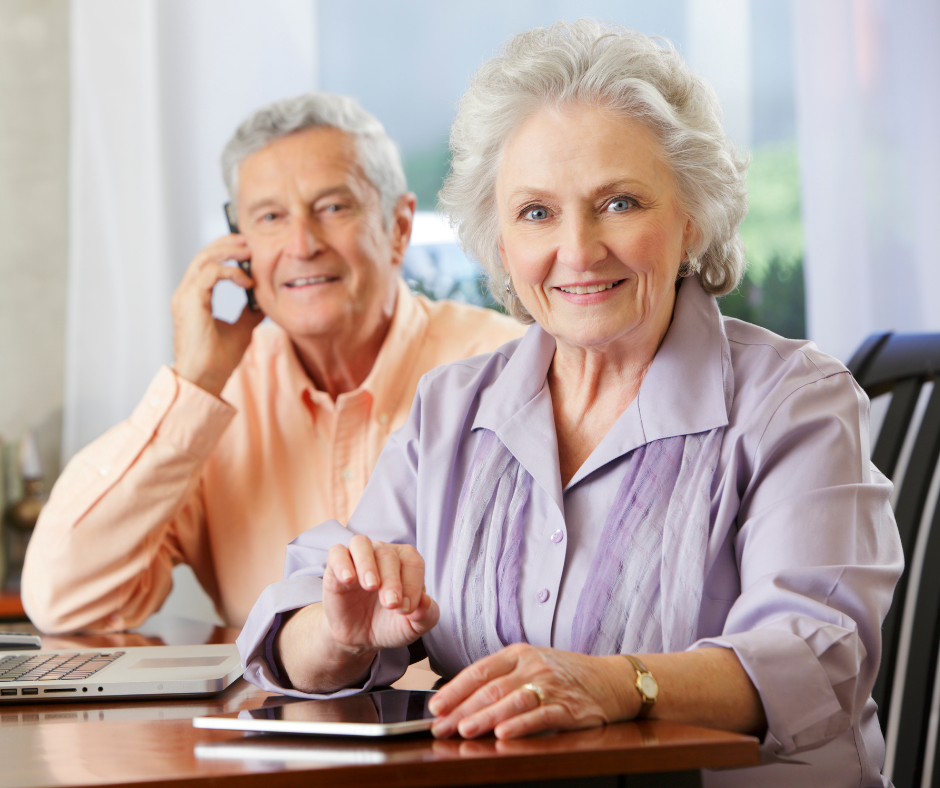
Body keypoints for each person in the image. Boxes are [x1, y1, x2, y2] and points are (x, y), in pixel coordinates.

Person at [237, 22, 902, 787]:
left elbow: (816, 655)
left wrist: (619, 685)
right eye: (537, 213)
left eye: (619, 202)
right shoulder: (452, 406)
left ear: (692, 218)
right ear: (498, 239)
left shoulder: (796, 404)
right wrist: (342, 634)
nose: (579, 251)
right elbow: (300, 624)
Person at [21, 93, 524, 634]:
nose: (302, 244)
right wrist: (196, 382)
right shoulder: (210, 405)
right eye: (270, 217)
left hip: (473, 710)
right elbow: (64, 601)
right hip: (269, 715)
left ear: (399, 227)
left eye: (333, 207)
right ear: (240, 247)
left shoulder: (503, 367)